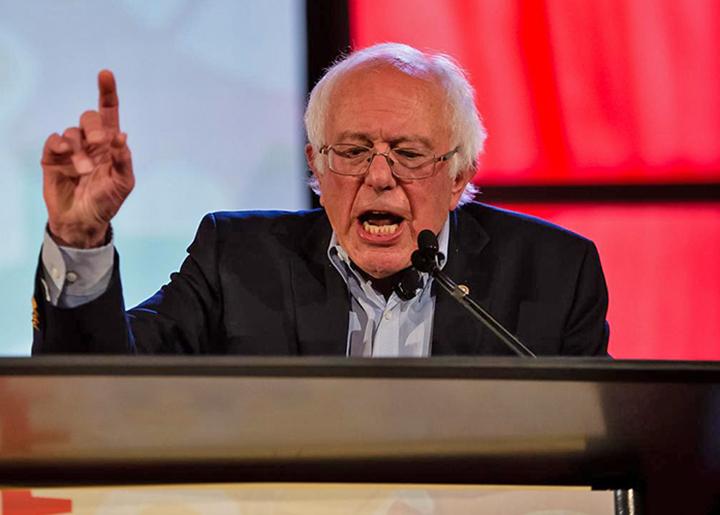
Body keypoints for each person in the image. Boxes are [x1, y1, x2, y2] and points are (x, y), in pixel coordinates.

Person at [32, 43, 609, 357]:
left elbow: (602, 453)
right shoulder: (236, 260)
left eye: (408, 154)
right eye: (353, 150)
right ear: (316, 165)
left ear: (459, 176)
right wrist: (79, 241)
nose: (378, 177)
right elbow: (101, 389)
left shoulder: (554, 274)